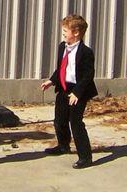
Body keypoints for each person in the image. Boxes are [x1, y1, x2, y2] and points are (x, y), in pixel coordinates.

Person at [40, 14, 98, 169]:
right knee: (59, 120)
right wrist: (52, 80)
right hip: (64, 87)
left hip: (79, 90)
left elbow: (88, 76)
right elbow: (61, 68)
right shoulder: (62, 47)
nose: (63, 34)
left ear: (77, 32)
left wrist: (77, 93)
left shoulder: (86, 52)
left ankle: (85, 157)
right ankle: (63, 145)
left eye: (66, 31)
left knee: (76, 123)